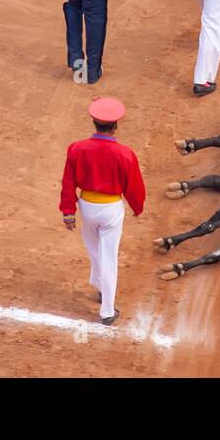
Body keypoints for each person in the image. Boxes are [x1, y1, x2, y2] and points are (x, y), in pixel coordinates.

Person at [59, 97, 145, 325]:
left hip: (87, 207)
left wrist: (68, 211)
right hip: (111, 210)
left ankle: (98, 283)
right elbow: (134, 186)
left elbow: (68, 182)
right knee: (109, 257)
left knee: (94, 249)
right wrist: (137, 207)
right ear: (115, 126)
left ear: (94, 123)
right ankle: (107, 310)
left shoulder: (77, 149)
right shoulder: (125, 154)